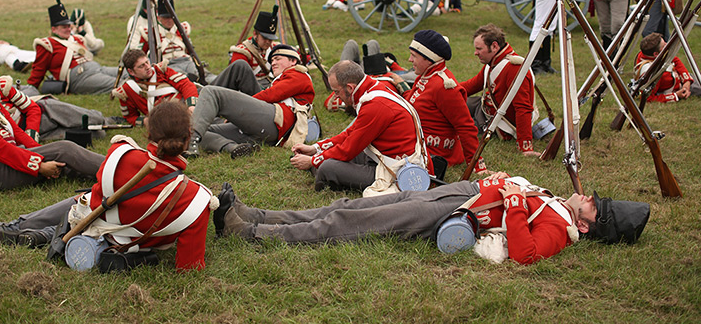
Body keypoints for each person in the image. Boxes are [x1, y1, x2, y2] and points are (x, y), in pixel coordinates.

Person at [214, 171, 650, 266]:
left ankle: (253, 232)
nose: (586, 195)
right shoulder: (561, 206)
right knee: (353, 206)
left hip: (462, 211)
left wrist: (515, 202)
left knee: (351, 223)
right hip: (465, 193)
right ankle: (258, 214)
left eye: (593, 202)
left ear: (590, 225)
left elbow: (526, 254)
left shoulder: (562, 229)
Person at [0, 101, 216, 272]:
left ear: (149, 132)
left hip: (95, 223)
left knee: (83, 201)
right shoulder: (197, 199)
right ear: (189, 136)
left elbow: (95, 201)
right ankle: (28, 230)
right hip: (132, 246)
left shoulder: (120, 153)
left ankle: (21, 227)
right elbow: (189, 267)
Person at [289, 60, 431, 196]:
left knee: (327, 167)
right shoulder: (372, 89)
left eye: (337, 92)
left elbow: (348, 149)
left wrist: (313, 160)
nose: (336, 97)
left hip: (394, 169)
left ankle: (319, 171)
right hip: (382, 157)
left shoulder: (374, 104)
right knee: (329, 158)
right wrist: (316, 148)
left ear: (350, 88)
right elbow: (350, 134)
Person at [0, 48, 104, 195]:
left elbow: (15, 130)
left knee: (62, 160)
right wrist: (39, 165)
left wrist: (40, 152)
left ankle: (110, 176)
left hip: (10, 156)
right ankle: (119, 168)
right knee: (65, 149)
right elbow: (1, 149)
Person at [187, 45, 315, 159]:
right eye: (272, 60)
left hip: (276, 122)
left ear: (293, 61)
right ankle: (231, 148)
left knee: (211, 92)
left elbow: (272, 95)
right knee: (202, 128)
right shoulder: (281, 78)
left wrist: (235, 111)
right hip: (266, 129)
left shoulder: (299, 74)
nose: (273, 63)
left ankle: (192, 139)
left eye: (278, 59)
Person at [390, 30, 483, 173]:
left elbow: (466, 127)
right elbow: (416, 102)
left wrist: (476, 166)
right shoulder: (427, 75)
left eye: (414, 56)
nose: (410, 59)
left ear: (429, 59)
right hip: (418, 143)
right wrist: (401, 85)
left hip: (433, 153)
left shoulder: (444, 86)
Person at [460, 24, 539, 157]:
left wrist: (525, 146)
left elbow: (523, 108)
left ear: (495, 46)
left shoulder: (514, 68)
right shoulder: (494, 60)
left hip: (499, 123)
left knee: (459, 123)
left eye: (479, 49)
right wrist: (445, 92)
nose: (475, 53)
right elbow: (473, 85)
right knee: (454, 102)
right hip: (485, 108)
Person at [0, 74, 122, 142]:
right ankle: (106, 123)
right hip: (26, 132)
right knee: (97, 135)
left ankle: (107, 120)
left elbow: (6, 91)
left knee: (94, 119)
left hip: (41, 111)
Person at [28, 1, 118, 94]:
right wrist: (31, 87)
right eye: (64, 27)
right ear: (53, 29)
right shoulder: (47, 44)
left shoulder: (77, 39)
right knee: (119, 84)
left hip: (96, 68)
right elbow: (39, 69)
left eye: (69, 26)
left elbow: (94, 45)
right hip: (79, 77)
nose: (68, 29)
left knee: (127, 72)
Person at [112, 49, 198, 127]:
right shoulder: (127, 90)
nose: (148, 67)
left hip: (185, 105)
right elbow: (130, 117)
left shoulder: (161, 70)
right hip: (167, 119)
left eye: (147, 62)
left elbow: (186, 85)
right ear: (131, 72)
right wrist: (145, 121)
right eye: (141, 66)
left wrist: (191, 106)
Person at [137, 0, 210, 82]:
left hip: (186, 61)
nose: (169, 20)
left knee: (204, 75)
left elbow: (189, 50)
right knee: (182, 77)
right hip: (167, 65)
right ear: (159, 18)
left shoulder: (182, 29)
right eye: (166, 18)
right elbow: (142, 55)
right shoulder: (150, 32)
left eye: (171, 17)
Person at [212, 9, 279, 92]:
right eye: (265, 38)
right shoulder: (243, 52)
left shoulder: (274, 48)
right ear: (255, 34)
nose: (268, 42)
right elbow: (238, 80)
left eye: (270, 39)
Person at [634, 33, 700, 102]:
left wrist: (687, 82)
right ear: (656, 54)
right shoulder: (652, 74)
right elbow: (648, 98)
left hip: (682, 80)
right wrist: (676, 95)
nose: (667, 45)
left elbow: (675, 60)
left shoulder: (647, 54)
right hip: (677, 88)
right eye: (664, 45)